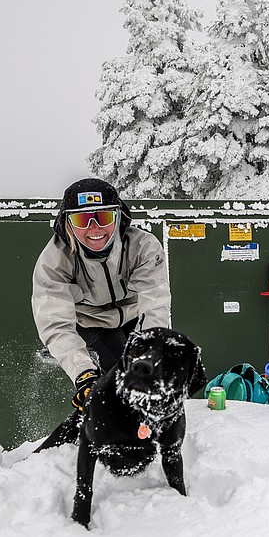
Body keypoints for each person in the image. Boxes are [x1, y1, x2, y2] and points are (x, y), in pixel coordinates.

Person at [32, 178, 171, 420]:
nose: (94, 229)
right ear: (68, 223)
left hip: (132, 314)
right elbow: (55, 323)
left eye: (103, 217)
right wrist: (83, 372)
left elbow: (155, 304)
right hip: (89, 320)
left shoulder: (143, 246)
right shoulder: (54, 260)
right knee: (118, 378)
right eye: (83, 220)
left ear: (118, 217)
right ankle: (102, 431)